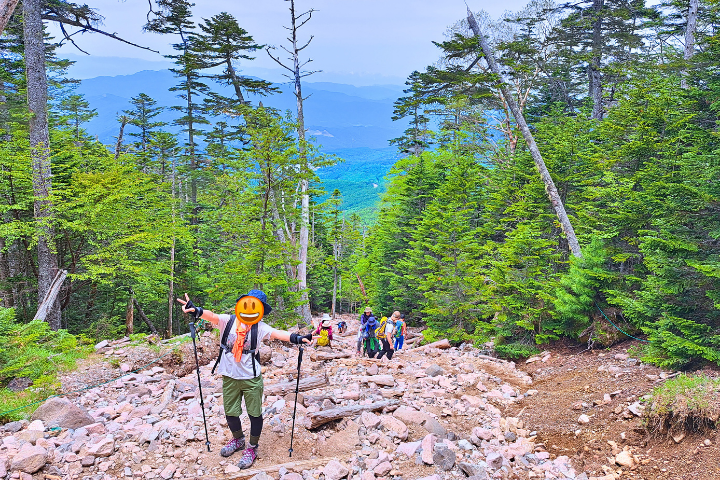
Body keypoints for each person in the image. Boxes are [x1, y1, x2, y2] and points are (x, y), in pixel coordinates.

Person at [177, 290, 312, 470]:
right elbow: (212, 316)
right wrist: (196, 310)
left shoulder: (260, 327)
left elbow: (278, 333)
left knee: (254, 413)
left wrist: (297, 338)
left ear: (261, 310)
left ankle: (252, 447)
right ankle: (238, 439)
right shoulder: (229, 321)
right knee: (231, 413)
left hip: (251, 378)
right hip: (230, 377)